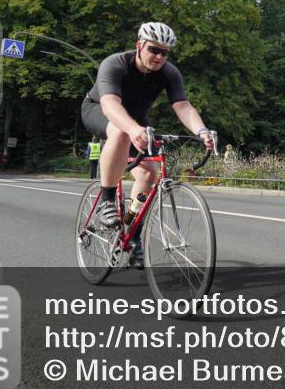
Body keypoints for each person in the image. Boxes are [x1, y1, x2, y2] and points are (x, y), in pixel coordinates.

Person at [81, 22, 214, 265]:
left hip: (138, 119)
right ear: (139, 45)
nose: (159, 56)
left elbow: (182, 105)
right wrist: (132, 129)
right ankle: (106, 201)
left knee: (149, 174)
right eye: (154, 49)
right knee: (121, 133)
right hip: (99, 109)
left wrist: (201, 130)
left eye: (165, 52)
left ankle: (133, 238)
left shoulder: (169, 73)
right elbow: (110, 103)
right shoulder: (115, 63)